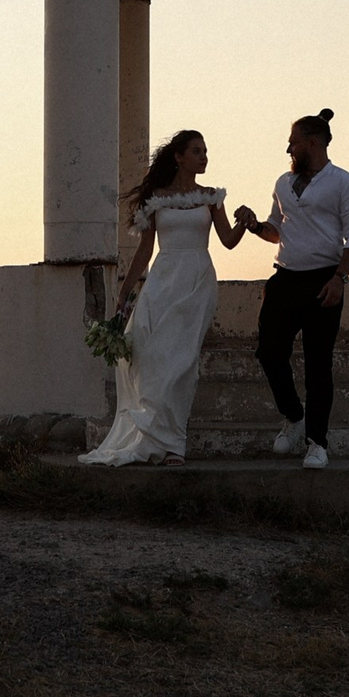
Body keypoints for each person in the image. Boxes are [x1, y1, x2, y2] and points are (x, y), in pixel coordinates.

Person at [79, 129, 246, 466]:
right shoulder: (156, 198)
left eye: (205, 151)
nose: (204, 157)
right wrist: (125, 292)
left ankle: (176, 444)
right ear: (179, 156)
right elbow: (144, 250)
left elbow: (228, 240)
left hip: (197, 278)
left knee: (182, 361)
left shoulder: (212, 197)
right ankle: (155, 435)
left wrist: (245, 223)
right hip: (162, 279)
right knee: (150, 356)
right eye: (197, 151)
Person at [234, 109, 349, 469]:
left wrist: (340, 277)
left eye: (293, 143)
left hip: (325, 278)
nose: (288, 149)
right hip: (285, 277)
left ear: (312, 142)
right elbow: (276, 229)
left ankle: (317, 443)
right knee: (268, 351)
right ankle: (294, 416)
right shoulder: (282, 183)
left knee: (318, 364)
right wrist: (254, 225)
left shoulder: (345, 183)